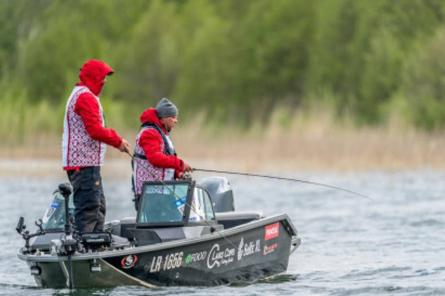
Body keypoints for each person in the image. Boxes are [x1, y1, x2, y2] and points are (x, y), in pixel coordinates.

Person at [62, 59, 131, 233]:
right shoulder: (85, 97)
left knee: (98, 207)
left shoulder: (83, 94)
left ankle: (96, 245)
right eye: (103, 76)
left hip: (86, 165)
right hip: (83, 165)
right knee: (89, 209)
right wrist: (118, 141)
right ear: (93, 77)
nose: (105, 81)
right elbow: (95, 130)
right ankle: (87, 250)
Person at [132, 98, 192, 209]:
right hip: (150, 194)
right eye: (173, 117)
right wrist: (180, 164)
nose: (176, 120)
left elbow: (165, 162)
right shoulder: (150, 133)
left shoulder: (161, 134)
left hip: (161, 192)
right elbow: (155, 158)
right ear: (163, 119)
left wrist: (177, 173)